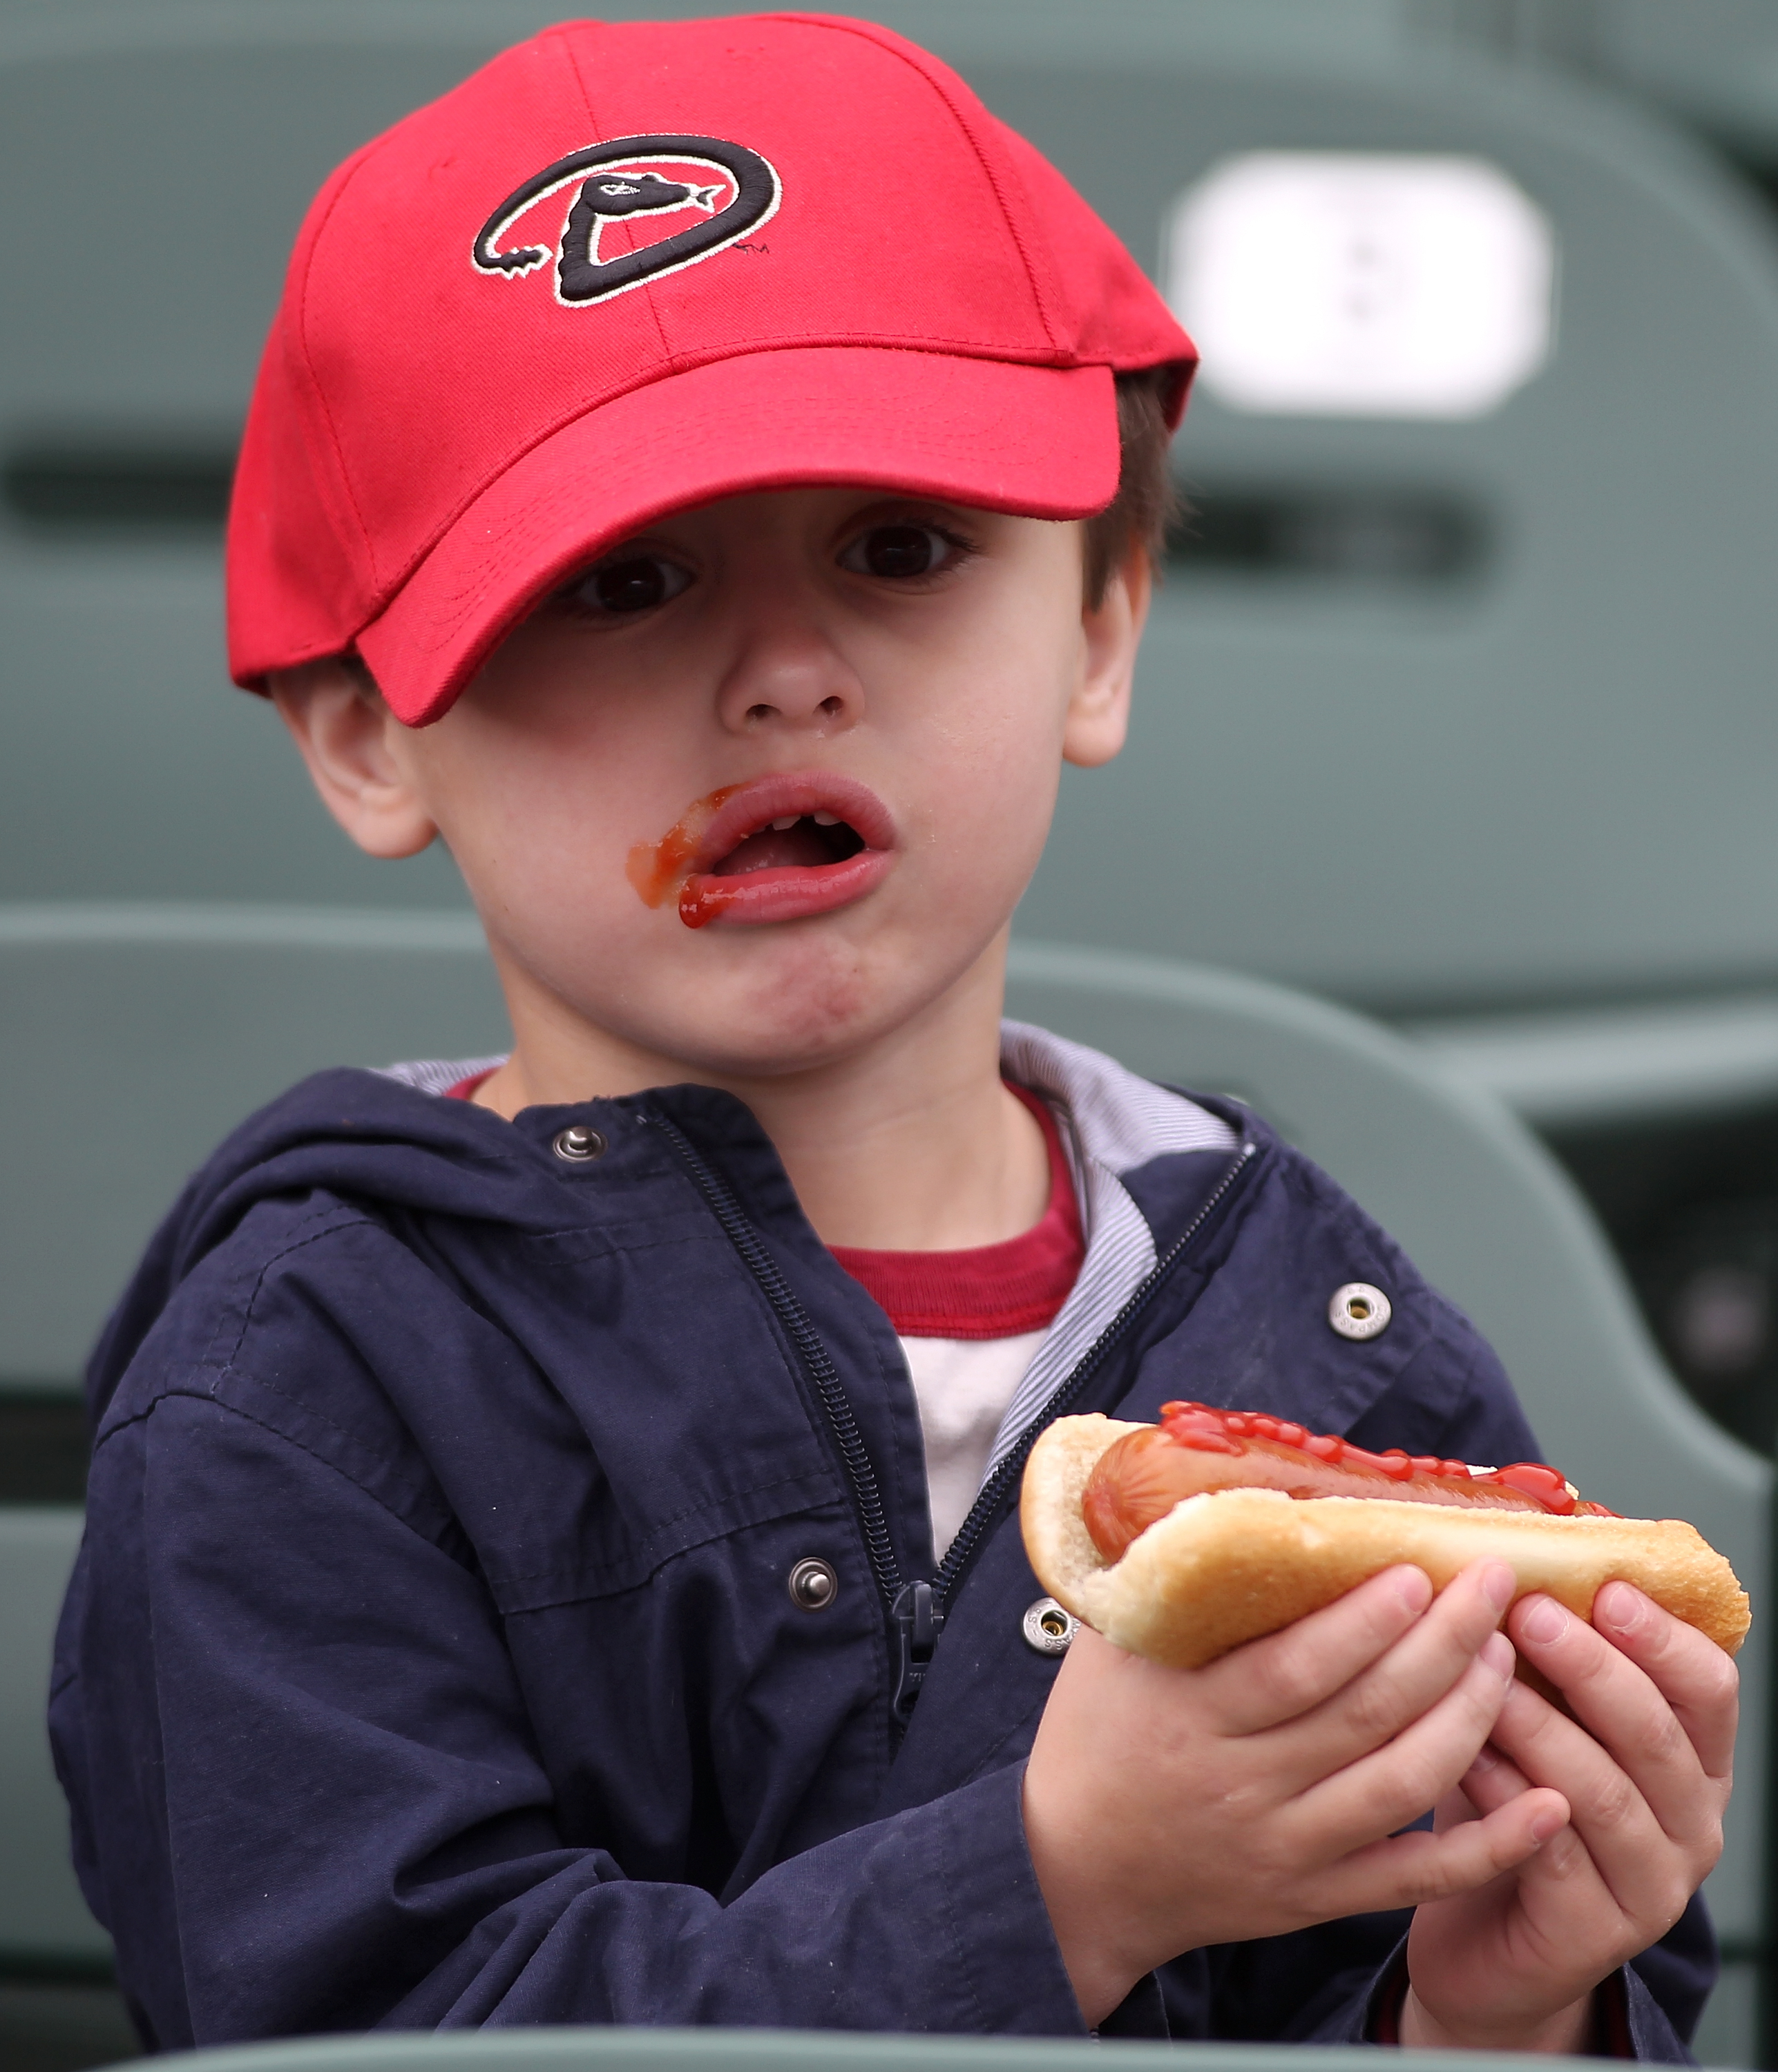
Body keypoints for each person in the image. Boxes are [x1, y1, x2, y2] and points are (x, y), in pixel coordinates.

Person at [50, 13, 1733, 2060]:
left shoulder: (1323, 1334)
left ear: (1101, 627)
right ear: (368, 732)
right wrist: (1059, 1889)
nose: (781, 672)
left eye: (903, 547)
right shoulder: (301, 1387)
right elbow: (373, 2025)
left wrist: (1503, 2011)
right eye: (622, 578)